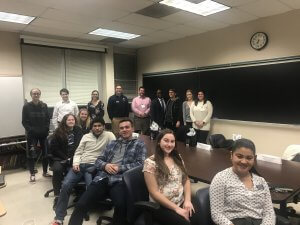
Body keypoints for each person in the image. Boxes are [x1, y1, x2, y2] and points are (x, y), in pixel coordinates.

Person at [68, 119, 147, 225]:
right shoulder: (112, 143)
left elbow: (140, 164)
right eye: (121, 128)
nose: (124, 130)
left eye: (127, 127)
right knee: (81, 204)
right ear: (118, 130)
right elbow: (98, 160)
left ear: (132, 128)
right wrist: (105, 165)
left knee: (121, 206)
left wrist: (120, 168)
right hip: (103, 177)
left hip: (120, 180)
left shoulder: (139, 145)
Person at [51, 118, 115, 225]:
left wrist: (104, 163)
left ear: (104, 126)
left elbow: (114, 150)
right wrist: (75, 163)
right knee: (66, 185)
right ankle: (59, 218)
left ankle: (85, 209)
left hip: (96, 166)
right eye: (95, 126)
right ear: (91, 128)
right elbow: (78, 151)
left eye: (99, 125)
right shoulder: (86, 136)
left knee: (91, 188)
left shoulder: (109, 135)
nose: (97, 128)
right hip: (80, 165)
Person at [210, 138, 275, 225]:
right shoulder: (221, 178)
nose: (244, 161)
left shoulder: (261, 181)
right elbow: (217, 214)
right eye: (239, 156)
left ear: (254, 159)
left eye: (249, 158)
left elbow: (269, 213)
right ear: (231, 155)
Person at [143, 129, 195, 225]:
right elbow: (154, 192)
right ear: (159, 142)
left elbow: (186, 179)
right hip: (161, 206)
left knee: (200, 217)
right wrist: (177, 209)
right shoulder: (150, 162)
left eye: (172, 141)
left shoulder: (177, 157)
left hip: (180, 200)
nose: (169, 144)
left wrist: (187, 200)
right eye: (166, 140)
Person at [49, 114, 83, 210]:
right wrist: (66, 158)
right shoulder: (58, 132)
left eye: (73, 120)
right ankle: (57, 196)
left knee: (79, 169)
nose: (71, 121)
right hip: (60, 157)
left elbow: (81, 145)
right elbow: (54, 149)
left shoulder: (78, 130)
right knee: (57, 170)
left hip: (75, 157)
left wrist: (74, 158)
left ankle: (79, 193)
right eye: (69, 120)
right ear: (65, 121)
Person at [22, 88, 51, 183]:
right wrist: (31, 130)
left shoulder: (44, 105)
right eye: (34, 93)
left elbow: (48, 119)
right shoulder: (26, 106)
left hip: (43, 134)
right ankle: (32, 174)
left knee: (45, 154)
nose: (36, 95)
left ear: (40, 95)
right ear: (31, 95)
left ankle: (45, 172)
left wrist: (46, 129)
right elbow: (24, 121)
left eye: (38, 93)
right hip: (32, 135)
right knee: (31, 155)